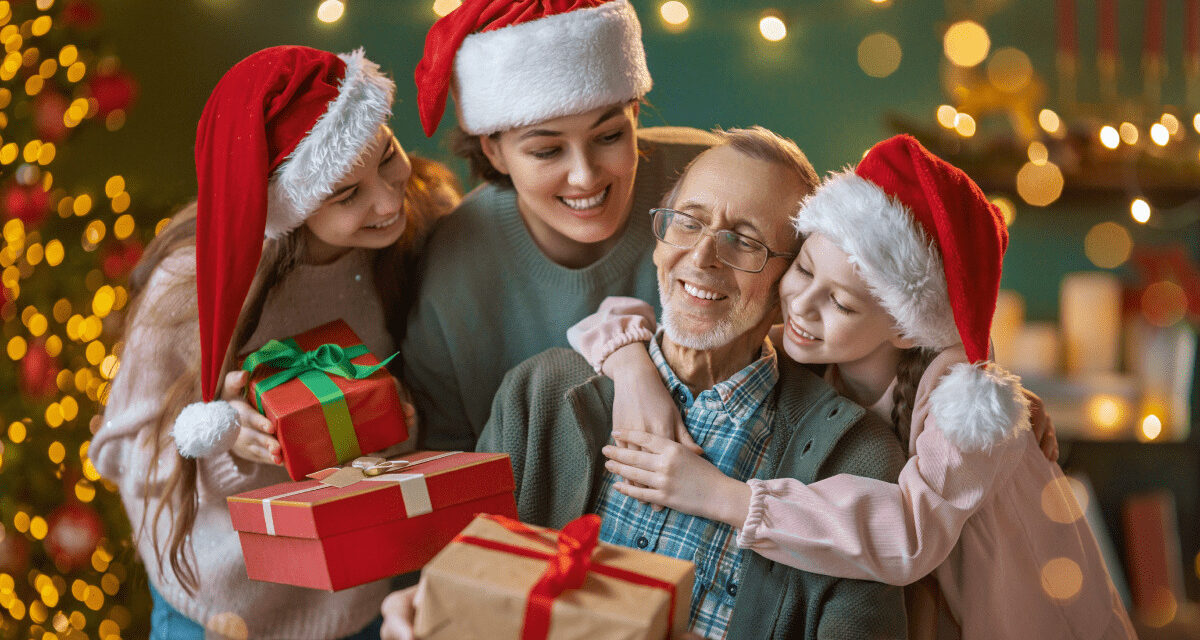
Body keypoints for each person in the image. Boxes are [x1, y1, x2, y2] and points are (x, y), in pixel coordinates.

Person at [574, 135, 1136, 639]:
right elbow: (653, 317)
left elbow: (910, 537)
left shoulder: (959, 407)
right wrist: (630, 368)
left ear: (902, 324)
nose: (801, 305)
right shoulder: (820, 345)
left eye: (840, 301)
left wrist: (724, 496)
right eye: (803, 269)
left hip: (1026, 613)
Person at [383, 127, 910, 640]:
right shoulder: (538, 395)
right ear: (659, 241)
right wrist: (425, 610)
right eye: (687, 222)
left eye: (744, 242)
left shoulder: (853, 462)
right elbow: (467, 582)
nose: (702, 258)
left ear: (790, 281)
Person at [88, 46, 459, 639]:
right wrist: (219, 440)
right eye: (345, 194)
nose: (387, 200)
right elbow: (118, 452)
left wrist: (395, 419)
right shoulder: (191, 284)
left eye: (388, 156)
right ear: (288, 201)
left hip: (363, 592)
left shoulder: (421, 217)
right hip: (223, 608)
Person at [402, 0, 717, 451]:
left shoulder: (707, 180)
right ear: (493, 151)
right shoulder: (453, 263)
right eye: (547, 151)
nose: (585, 176)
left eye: (609, 136)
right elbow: (444, 457)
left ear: (635, 113)